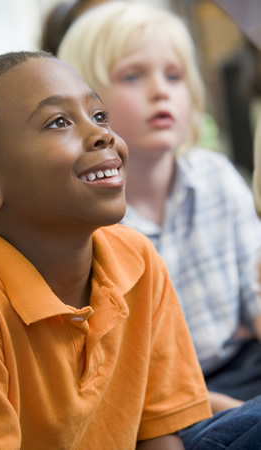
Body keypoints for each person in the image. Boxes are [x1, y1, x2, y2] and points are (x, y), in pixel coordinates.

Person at [0, 49, 214, 449]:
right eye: (58, 122)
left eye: (99, 116)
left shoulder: (137, 260)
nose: (103, 135)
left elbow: (161, 435)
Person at [57, 1, 261, 411]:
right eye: (132, 76)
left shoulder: (217, 176)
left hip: (243, 366)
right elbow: (127, 378)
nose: (160, 90)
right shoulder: (87, 226)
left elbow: (255, 298)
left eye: (174, 75)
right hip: (161, 400)